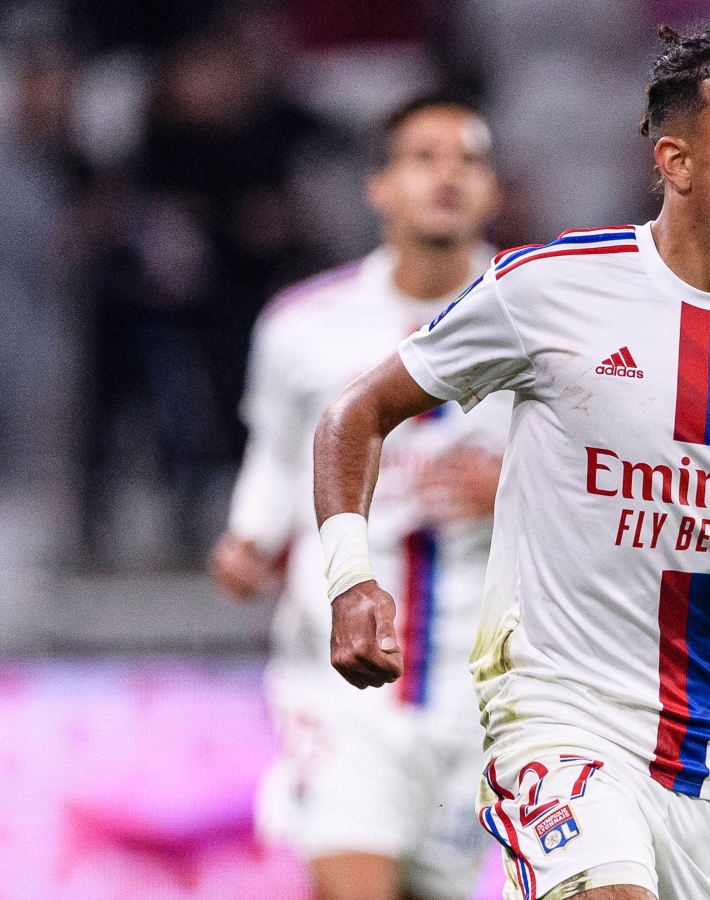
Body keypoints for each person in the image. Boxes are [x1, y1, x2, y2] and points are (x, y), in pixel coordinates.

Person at [313, 24, 710, 900]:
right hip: (560, 721)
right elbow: (355, 414)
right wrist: (351, 579)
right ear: (676, 162)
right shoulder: (552, 288)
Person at [207, 94, 507, 900]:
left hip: (488, 691)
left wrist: (518, 487)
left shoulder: (549, 327)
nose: (448, 176)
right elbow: (277, 454)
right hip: (340, 683)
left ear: (493, 190)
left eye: (469, 159)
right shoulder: (304, 324)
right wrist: (250, 535)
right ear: (379, 186)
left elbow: (608, 472)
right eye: (423, 157)